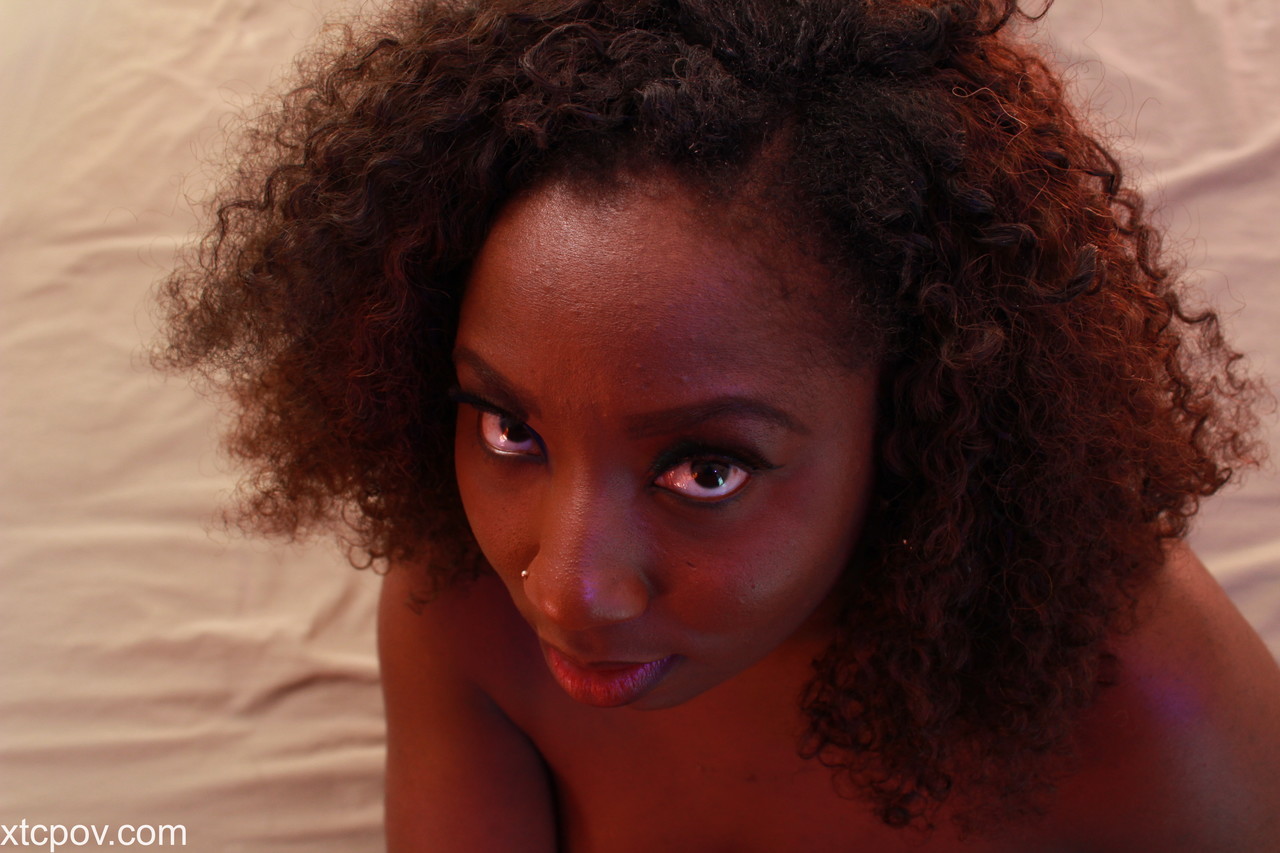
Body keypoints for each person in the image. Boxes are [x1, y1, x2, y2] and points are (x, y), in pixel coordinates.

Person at [155, 0, 1280, 848]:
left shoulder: (1130, 695)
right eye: (509, 430)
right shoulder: (463, 608)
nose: (567, 588)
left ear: (914, 432)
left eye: (705, 470)